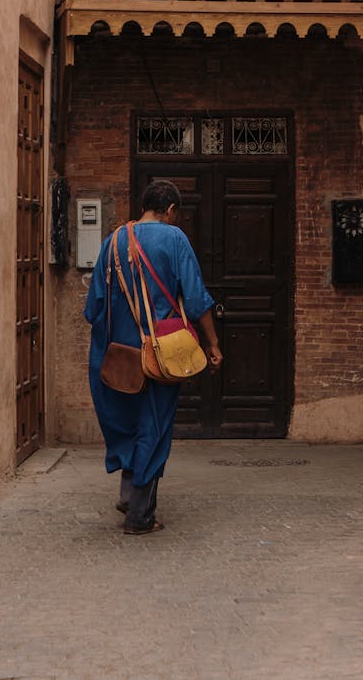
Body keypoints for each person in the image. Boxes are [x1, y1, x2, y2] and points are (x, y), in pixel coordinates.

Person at [84, 179, 222, 535]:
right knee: (153, 425)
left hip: (115, 355)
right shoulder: (175, 239)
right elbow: (195, 298)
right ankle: (140, 516)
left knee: (125, 421)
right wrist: (212, 343)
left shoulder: (112, 241)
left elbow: (92, 308)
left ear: (144, 205)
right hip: (158, 353)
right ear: (171, 210)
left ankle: (129, 494)